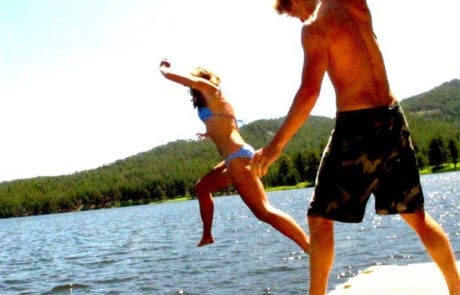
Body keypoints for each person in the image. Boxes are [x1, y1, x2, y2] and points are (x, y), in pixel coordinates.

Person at [251, 0, 460, 294]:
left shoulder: (314, 29)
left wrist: (275, 147)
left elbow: (309, 91)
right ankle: (456, 287)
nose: (297, 19)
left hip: (358, 128)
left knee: (320, 216)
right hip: (392, 119)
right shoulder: (355, 5)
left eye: (291, 12)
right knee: (416, 214)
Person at [159, 59, 310, 252]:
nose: (191, 87)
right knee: (202, 187)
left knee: (264, 211)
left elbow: (176, 77)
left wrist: (164, 69)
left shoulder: (211, 90)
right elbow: (228, 125)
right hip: (233, 159)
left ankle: (309, 246)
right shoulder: (213, 101)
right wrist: (209, 132)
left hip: (239, 157)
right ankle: (207, 235)